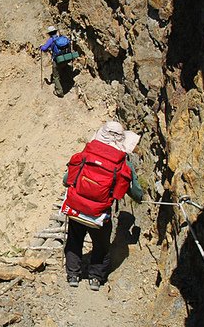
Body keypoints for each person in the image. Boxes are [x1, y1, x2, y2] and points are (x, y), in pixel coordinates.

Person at [61, 121, 143, 291]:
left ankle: (73, 275)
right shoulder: (123, 163)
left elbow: (66, 180)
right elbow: (136, 193)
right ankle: (95, 278)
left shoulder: (87, 153)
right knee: (101, 245)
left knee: (75, 239)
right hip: (100, 212)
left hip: (77, 207)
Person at [39, 25, 72, 98]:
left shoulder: (51, 40)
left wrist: (41, 47)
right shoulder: (61, 38)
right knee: (63, 68)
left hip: (58, 60)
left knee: (55, 76)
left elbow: (44, 48)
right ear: (55, 31)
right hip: (66, 58)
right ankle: (68, 80)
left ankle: (60, 92)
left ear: (49, 33)